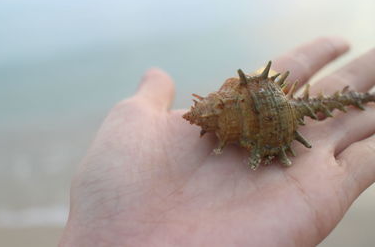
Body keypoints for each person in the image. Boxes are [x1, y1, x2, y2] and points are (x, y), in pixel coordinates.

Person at [59, 37, 375, 247]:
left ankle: (364, 97)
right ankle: (362, 97)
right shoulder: (241, 107)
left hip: (272, 119)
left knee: (334, 101)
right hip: (271, 118)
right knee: (329, 103)